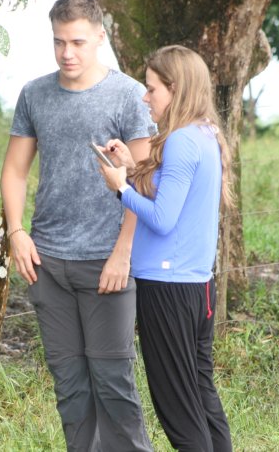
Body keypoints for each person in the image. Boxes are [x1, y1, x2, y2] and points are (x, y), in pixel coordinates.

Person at [1, 0, 155, 451]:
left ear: (100, 38)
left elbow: (143, 181)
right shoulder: (35, 94)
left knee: (113, 383)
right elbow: (15, 170)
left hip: (106, 263)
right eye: (58, 42)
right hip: (47, 263)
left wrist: (122, 253)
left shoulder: (128, 95)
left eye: (78, 42)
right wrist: (17, 232)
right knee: (70, 388)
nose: (67, 53)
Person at [96, 45, 234, 451]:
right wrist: (134, 168)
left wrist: (120, 188)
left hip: (166, 288)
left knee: (178, 408)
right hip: (196, 287)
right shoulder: (205, 134)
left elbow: (162, 218)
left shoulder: (179, 142)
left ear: (174, 90)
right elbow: (173, 195)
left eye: (152, 89)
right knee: (202, 397)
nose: (145, 97)